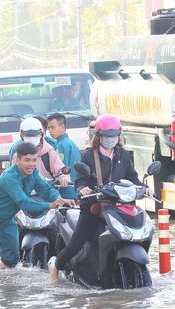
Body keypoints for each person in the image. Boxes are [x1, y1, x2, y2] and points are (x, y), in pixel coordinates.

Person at [49, 114, 154, 280]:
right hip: (94, 207)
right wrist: (83, 189)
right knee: (75, 244)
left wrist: (145, 188)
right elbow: (80, 180)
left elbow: (132, 177)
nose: (110, 139)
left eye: (114, 135)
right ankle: (55, 269)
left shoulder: (123, 155)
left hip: (118, 207)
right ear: (98, 136)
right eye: (106, 136)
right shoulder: (90, 155)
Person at [0, 141, 74, 270]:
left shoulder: (34, 173)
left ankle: (5, 287)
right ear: (17, 159)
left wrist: (60, 199)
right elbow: (23, 202)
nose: (31, 164)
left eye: (34, 160)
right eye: (27, 160)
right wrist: (49, 205)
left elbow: (46, 190)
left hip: (6, 219)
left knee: (12, 259)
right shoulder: (9, 177)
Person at [10, 117, 70, 187]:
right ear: (22, 136)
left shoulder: (49, 152)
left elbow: (60, 169)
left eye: (35, 135)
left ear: (41, 135)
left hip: (46, 192)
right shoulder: (17, 155)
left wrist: (63, 178)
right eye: (28, 136)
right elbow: (12, 176)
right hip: (25, 193)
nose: (32, 138)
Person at [47, 113, 80, 199]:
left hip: (65, 192)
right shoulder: (71, 143)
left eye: (52, 127)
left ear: (62, 127)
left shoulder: (60, 145)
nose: (50, 131)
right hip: (74, 190)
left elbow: (60, 170)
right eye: (48, 128)